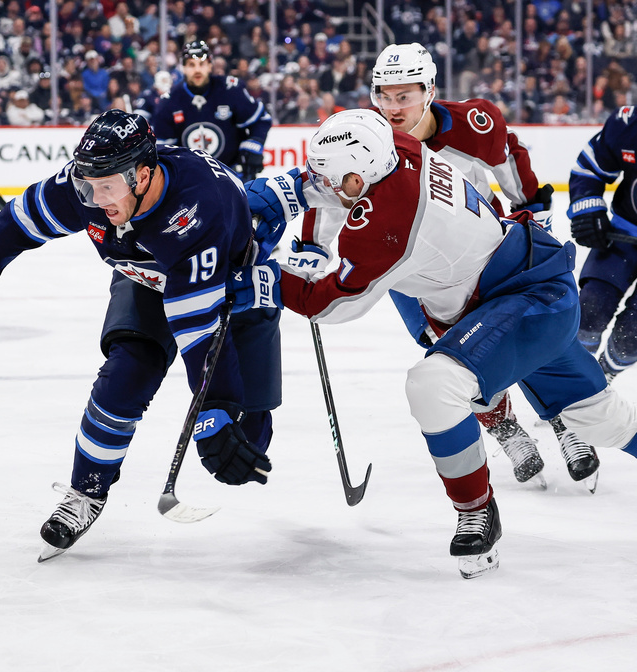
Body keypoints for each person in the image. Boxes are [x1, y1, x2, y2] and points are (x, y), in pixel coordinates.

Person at [231, 110, 637, 579]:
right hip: (527, 282)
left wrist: (269, 279)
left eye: (330, 177)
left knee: (434, 384)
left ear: (359, 173)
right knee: (601, 420)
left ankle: (477, 509)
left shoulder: (387, 221)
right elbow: (333, 183)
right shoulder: (395, 147)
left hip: (523, 300)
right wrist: (282, 193)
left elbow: (334, 304)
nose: (322, 183)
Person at [0, 110, 282, 562]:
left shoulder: (193, 209)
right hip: (145, 275)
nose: (94, 199)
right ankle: (86, 491)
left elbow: (199, 328)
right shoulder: (88, 185)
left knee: (245, 436)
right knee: (123, 379)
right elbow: (20, 221)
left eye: (106, 187)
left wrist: (216, 411)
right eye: (87, 186)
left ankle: (240, 415)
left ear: (143, 174)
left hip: (232, 282)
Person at [253, 42, 599, 491]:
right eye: (383, 95)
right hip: (416, 271)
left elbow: (510, 162)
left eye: (405, 96)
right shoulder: (365, 137)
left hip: (486, 256)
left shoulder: (475, 124)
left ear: (430, 89)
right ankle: (506, 430)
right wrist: (313, 248)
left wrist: (532, 207)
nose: (393, 108)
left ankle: (563, 423)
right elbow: (335, 190)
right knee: (453, 354)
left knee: (523, 336)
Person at [568, 105, 637, 385]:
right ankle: (574, 384)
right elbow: (589, 167)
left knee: (632, 335)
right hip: (625, 233)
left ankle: (601, 377)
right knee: (590, 310)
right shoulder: (628, 123)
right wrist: (588, 208)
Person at [152, 40, 272, 179]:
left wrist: (254, 144)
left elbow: (261, 119)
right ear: (183, 68)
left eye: (202, 64)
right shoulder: (169, 102)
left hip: (234, 174)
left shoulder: (230, 90)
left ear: (210, 66)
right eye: (191, 65)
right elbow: (165, 151)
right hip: (193, 181)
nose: (197, 70)